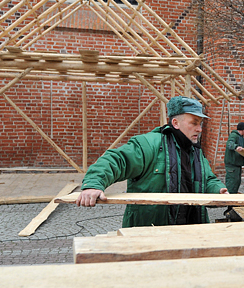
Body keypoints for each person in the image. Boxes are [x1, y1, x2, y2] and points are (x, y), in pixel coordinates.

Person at [75, 96, 228, 228]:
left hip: (192, 231)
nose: (200, 129)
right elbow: (117, 160)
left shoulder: (195, 151)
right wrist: (93, 184)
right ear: (175, 123)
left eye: (200, 123)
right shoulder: (149, 145)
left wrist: (218, 189)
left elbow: (208, 179)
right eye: (194, 123)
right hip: (150, 233)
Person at [223, 122, 244, 194]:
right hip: (232, 165)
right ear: (243, 130)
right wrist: (236, 147)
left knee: (236, 182)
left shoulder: (241, 139)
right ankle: (229, 202)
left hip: (237, 164)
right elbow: (229, 144)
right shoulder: (233, 135)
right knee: (232, 183)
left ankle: (233, 200)